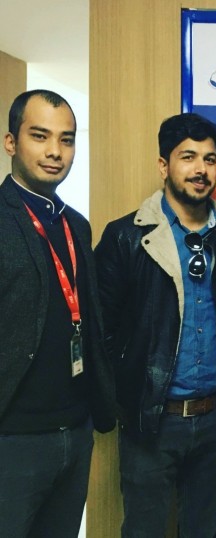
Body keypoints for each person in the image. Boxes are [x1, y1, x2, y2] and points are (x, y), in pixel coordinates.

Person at [94, 113, 216, 537]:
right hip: (151, 422)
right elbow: (101, 331)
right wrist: (126, 398)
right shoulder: (126, 237)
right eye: (187, 157)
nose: (200, 169)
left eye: (209, 159)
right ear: (164, 165)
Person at [0, 89, 116, 537]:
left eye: (66, 139)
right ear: (11, 142)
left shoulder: (76, 225)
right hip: (13, 438)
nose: (55, 151)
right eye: (40, 135)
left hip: (75, 430)